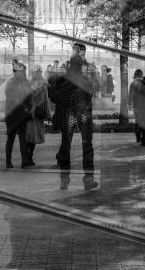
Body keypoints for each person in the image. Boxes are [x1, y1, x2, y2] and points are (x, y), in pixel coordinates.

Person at [48, 43, 97, 190]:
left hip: (68, 115)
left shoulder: (63, 79)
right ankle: (88, 179)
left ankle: (64, 179)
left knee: (65, 145)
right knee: (87, 145)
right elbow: (93, 92)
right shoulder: (85, 79)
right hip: (84, 115)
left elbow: (54, 95)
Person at [5, 61, 33, 168]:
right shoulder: (15, 82)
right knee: (15, 138)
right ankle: (13, 161)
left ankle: (21, 160)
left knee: (19, 138)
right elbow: (10, 97)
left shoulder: (22, 82)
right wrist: (27, 108)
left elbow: (30, 97)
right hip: (16, 114)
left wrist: (28, 108)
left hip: (17, 114)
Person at [26, 65, 49, 166]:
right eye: (37, 72)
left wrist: (48, 114)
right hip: (32, 113)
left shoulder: (29, 84)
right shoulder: (41, 85)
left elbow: (46, 101)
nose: (38, 74)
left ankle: (28, 156)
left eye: (39, 72)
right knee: (31, 137)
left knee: (31, 137)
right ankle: (28, 157)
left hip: (33, 113)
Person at [128, 69, 145, 144]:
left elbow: (130, 95)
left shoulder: (133, 83)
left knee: (137, 121)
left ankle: (138, 137)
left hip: (136, 105)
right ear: (141, 75)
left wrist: (129, 104)